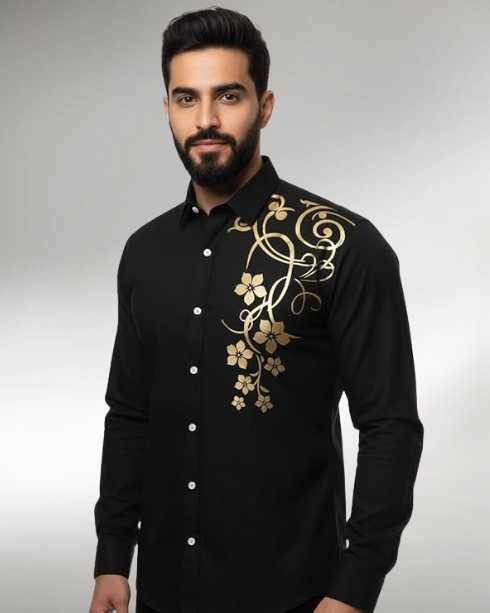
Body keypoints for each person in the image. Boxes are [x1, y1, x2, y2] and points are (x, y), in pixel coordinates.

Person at [89, 7, 424, 613]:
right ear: (167, 108)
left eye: (229, 96)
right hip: (163, 593)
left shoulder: (342, 246)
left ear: (264, 106)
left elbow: (390, 425)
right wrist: (113, 556)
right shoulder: (144, 253)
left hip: (295, 596)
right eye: (186, 98)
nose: (206, 119)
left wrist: (355, 588)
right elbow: (131, 414)